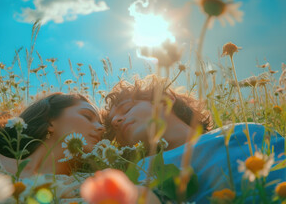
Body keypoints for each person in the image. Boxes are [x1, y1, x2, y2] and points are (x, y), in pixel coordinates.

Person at [103, 75, 286, 203]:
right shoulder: (140, 170)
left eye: (126, 109)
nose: (116, 121)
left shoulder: (245, 130)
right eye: (113, 126)